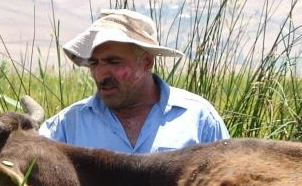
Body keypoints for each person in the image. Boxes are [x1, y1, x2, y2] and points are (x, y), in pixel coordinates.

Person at [39, 9, 229, 153]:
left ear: (146, 62)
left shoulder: (199, 119)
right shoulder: (66, 126)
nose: (100, 75)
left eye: (114, 62)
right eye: (94, 63)